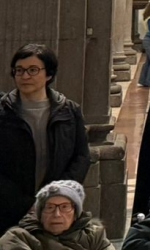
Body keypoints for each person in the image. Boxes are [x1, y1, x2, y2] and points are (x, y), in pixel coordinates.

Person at [1, 44, 90, 232]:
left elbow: (81, 157)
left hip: (55, 209)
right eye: (19, 70)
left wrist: (56, 195)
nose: (25, 76)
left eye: (33, 70)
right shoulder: (3, 112)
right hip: (8, 208)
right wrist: (25, 204)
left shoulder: (69, 111)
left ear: (48, 74)